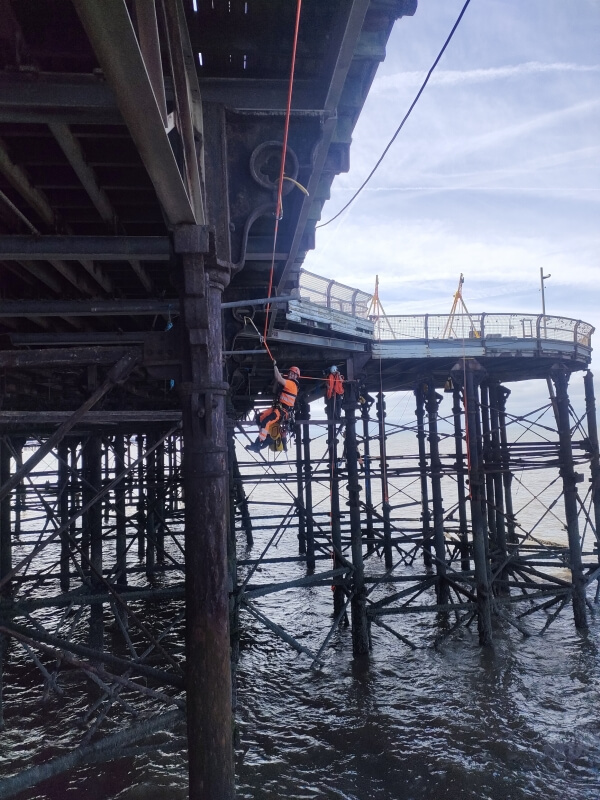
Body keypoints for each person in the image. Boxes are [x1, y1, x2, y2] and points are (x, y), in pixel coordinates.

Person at [246, 362, 300, 452]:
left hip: (282, 411)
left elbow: (278, 378)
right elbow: (275, 390)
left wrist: (275, 366)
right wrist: (279, 379)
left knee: (266, 422)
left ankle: (258, 444)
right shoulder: (288, 385)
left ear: (296, 376)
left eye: (292, 373)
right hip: (277, 408)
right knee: (259, 417)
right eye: (290, 372)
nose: (290, 374)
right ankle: (266, 437)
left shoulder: (292, 384)